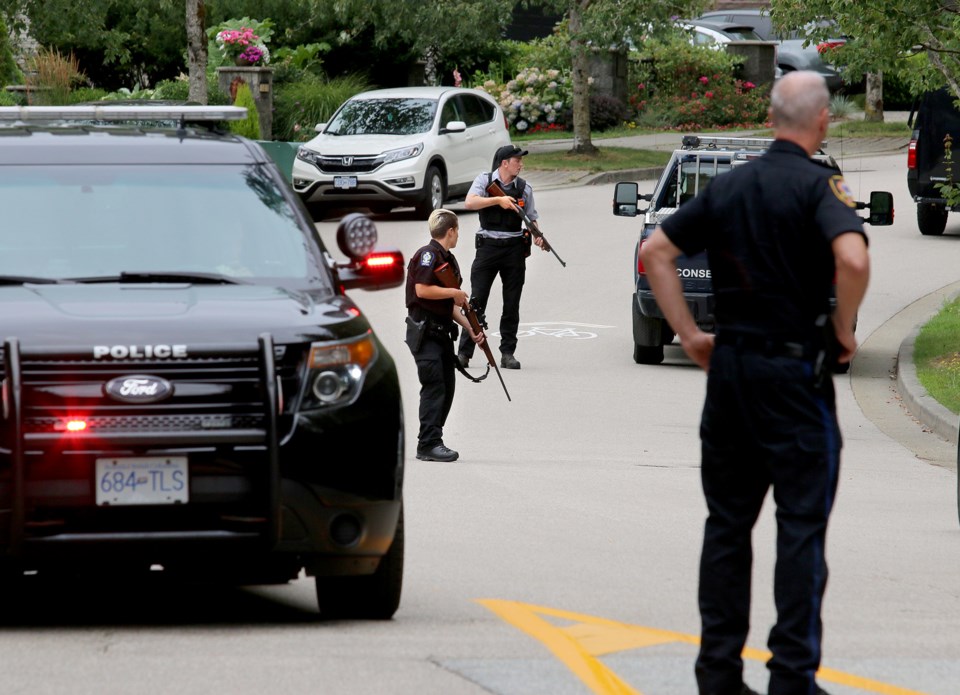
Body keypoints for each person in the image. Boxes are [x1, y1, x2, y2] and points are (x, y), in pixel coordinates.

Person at [640, 70, 870, 695]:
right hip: (796, 374)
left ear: (770, 118)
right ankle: (791, 677)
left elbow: (656, 253)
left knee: (727, 523)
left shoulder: (729, 186)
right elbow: (852, 258)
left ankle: (717, 673)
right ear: (821, 122)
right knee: (800, 526)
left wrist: (688, 334)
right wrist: (844, 329)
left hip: (732, 369)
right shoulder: (823, 186)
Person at [456, 144, 546, 370]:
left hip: (514, 249)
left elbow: (531, 217)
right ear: (504, 163)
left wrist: (537, 235)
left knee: (512, 303)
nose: (521, 164)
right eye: (517, 160)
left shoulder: (524, 188)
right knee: (477, 301)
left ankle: (508, 353)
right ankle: (464, 353)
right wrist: (498, 200)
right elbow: (470, 201)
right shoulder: (484, 180)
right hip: (488, 248)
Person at [405, 208, 484, 462]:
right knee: (435, 386)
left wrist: (470, 328)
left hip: (441, 334)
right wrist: (454, 294)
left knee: (447, 387)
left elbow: (448, 307)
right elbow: (422, 290)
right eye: (457, 230)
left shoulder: (447, 260)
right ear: (450, 231)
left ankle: (433, 438)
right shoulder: (427, 255)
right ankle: (427, 444)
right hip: (425, 333)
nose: (458, 235)